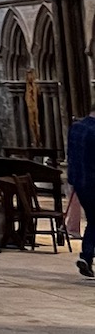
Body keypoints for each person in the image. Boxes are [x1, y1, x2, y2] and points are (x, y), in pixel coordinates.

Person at [67, 113, 95, 277]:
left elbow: (71, 155)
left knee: (93, 220)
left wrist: (72, 178)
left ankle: (86, 257)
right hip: (93, 182)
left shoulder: (75, 128)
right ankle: (86, 255)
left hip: (79, 182)